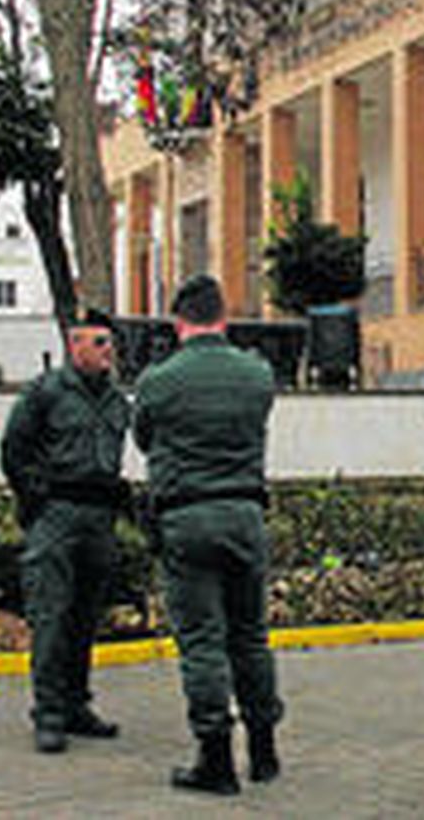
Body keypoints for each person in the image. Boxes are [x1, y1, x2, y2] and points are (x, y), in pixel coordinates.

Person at [134, 273, 283, 795]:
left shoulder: (159, 379)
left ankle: (215, 760)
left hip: (187, 519)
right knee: (251, 637)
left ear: (180, 322)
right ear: (224, 316)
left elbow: (144, 438)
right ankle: (264, 752)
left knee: (203, 643)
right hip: (245, 514)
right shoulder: (257, 375)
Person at [0, 306, 130, 754]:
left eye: (110, 342)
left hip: (99, 519)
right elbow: (14, 450)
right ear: (74, 346)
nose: (108, 349)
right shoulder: (45, 393)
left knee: (85, 617)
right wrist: (34, 500)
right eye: (99, 342)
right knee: (51, 616)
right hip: (56, 516)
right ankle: (49, 713)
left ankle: (76, 705)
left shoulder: (116, 398)